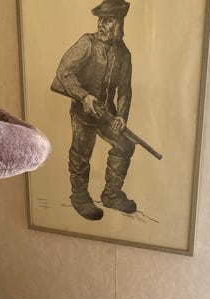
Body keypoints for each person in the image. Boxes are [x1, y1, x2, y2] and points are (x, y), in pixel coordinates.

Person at [51, 0, 136, 221]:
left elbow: (125, 90)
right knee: (81, 153)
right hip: (84, 112)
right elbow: (63, 71)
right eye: (100, 20)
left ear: (118, 24)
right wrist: (84, 96)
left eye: (107, 21)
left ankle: (111, 195)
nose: (101, 25)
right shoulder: (87, 43)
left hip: (108, 114)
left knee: (126, 145)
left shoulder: (124, 54)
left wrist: (121, 116)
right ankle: (79, 197)